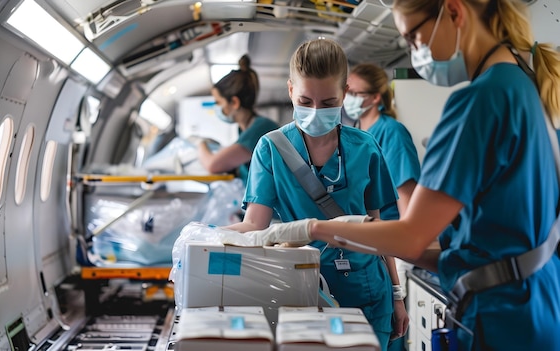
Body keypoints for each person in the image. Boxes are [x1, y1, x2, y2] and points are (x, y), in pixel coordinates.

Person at [238, 0, 560, 350]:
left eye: (413, 37)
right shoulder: (522, 85)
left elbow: (410, 237)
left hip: (500, 315)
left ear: (454, 12)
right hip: (535, 302)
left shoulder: (481, 102)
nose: (414, 51)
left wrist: (313, 229)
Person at [226, 38, 403, 351]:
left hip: (370, 294)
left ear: (344, 94)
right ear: (291, 90)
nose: (316, 111)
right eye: (306, 102)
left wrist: (397, 295)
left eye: (328, 102)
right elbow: (254, 225)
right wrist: (205, 239)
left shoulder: (365, 147)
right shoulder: (271, 149)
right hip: (303, 292)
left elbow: (380, 229)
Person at [345, 63, 421, 349]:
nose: (347, 97)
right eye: (346, 90)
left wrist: (402, 261)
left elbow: (408, 203)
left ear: (376, 97)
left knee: (392, 334)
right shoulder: (353, 133)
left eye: (354, 92)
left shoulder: (392, 132)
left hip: (392, 248)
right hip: (368, 247)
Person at [194, 54, 279, 183]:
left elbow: (212, 165)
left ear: (234, 102)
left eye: (218, 102)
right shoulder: (244, 129)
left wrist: (199, 143)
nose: (216, 107)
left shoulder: (261, 129)